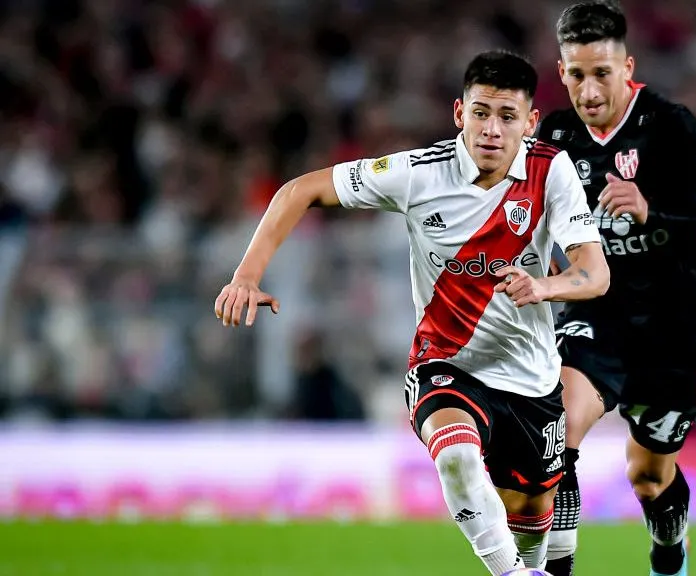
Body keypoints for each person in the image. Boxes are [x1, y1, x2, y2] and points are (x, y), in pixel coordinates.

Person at [214, 50, 609, 574]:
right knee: (456, 458)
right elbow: (300, 189)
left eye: (508, 117)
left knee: (530, 518)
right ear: (458, 113)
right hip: (445, 363)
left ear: (530, 122)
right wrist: (246, 274)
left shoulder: (550, 170)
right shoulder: (419, 173)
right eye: (481, 113)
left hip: (531, 381)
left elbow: (595, 274)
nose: (492, 129)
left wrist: (544, 285)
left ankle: (524, 565)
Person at [534, 3, 696, 575]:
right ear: (562, 73)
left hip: (675, 328)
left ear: (627, 67)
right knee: (554, 434)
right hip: (597, 314)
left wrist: (652, 210)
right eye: (576, 74)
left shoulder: (667, 123)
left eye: (602, 74)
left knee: (649, 476)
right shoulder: (554, 136)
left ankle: (670, 553)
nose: (589, 89)